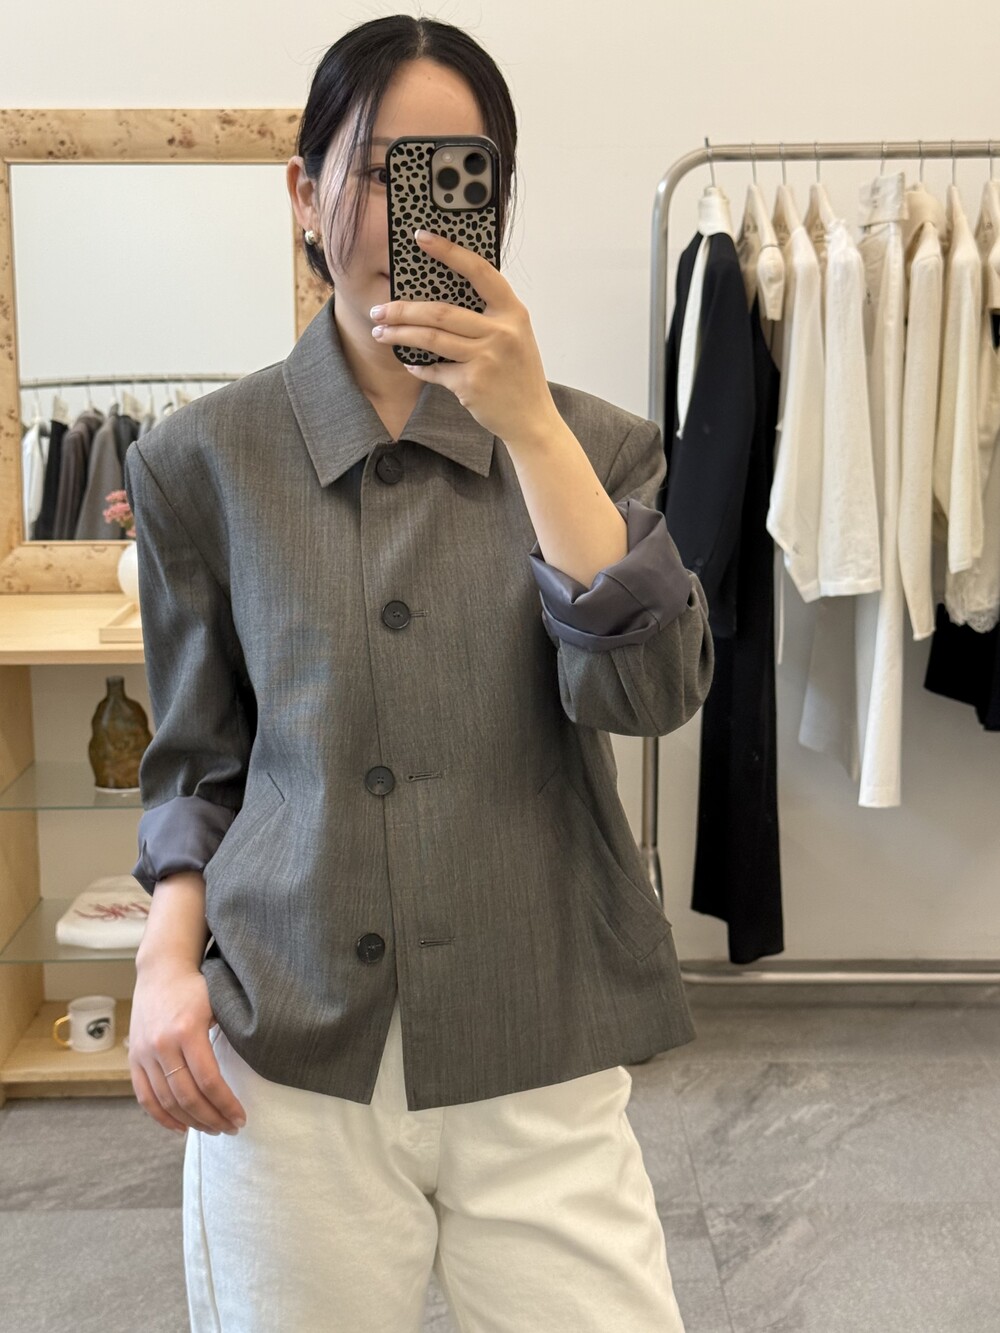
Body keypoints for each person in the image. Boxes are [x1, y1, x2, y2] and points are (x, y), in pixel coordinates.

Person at [125, 15, 713, 1332]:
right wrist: (166, 960)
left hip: (538, 1029)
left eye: (458, 171)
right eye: (383, 167)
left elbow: (648, 697)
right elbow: (199, 761)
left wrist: (532, 430)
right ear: (304, 191)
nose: (415, 209)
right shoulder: (199, 462)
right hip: (292, 1048)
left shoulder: (597, 446)